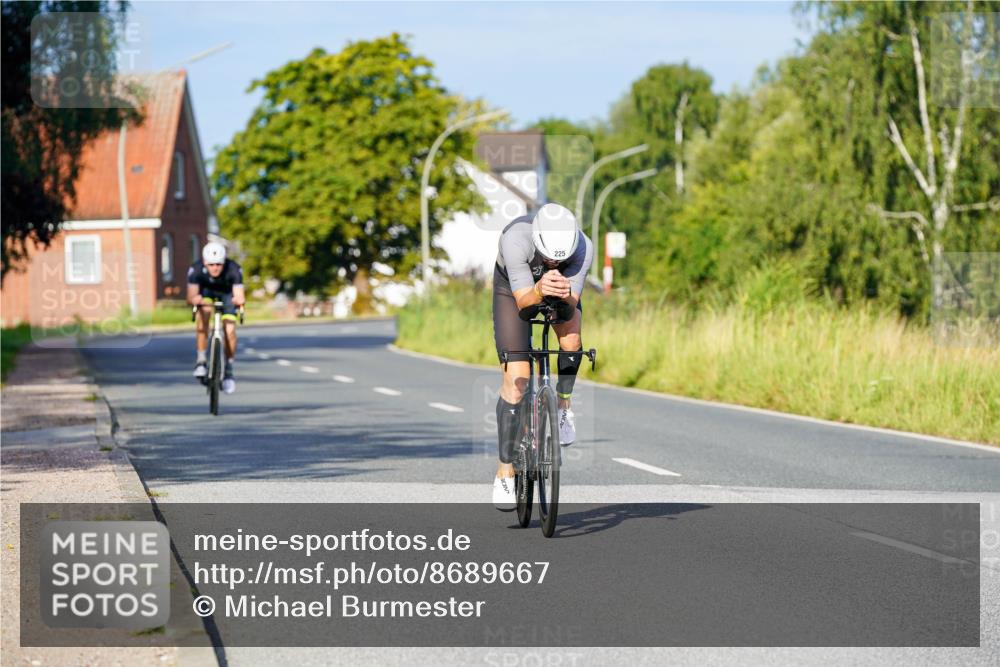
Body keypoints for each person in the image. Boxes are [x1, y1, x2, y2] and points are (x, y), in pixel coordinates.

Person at [491, 203, 594, 510]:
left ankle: (563, 404)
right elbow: (524, 301)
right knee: (518, 379)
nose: (553, 262)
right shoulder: (515, 238)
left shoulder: (583, 247)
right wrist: (538, 289)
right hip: (513, 292)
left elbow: (569, 306)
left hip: (558, 292)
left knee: (572, 336)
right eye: (549, 257)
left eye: (559, 259)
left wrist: (563, 294)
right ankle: (505, 470)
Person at [186, 241, 245, 394]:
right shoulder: (196, 270)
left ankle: (229, 369)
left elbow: (239, 295)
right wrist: (195, 300)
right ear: (205, 262)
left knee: (230, 330)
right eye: (211, 265)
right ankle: (201, 361)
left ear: (224, 262)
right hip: (206, 293)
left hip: (226, 295)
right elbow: (191, 296)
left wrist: (239, 301)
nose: (215, 268)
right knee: (204, 312)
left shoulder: (234, 269)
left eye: (219, 264)